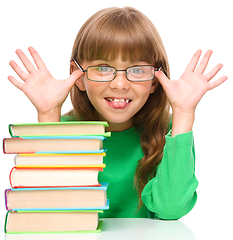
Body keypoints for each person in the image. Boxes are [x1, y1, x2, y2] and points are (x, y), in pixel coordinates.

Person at [7, 7, 227, 220]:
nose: (120, 84)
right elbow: (48, 212)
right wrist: (48, 114)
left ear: (154, 80)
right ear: (79, 76)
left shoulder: (171, 131)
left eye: (138, 70)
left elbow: (171, 209)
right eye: (103, 68)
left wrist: (183, 113)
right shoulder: (62, 129)